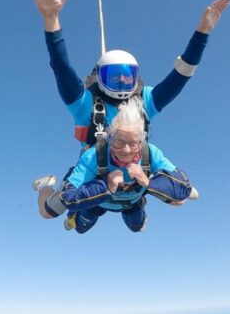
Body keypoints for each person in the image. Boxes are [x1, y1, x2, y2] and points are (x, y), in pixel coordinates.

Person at [30, 0, 230, 149]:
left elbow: (183, 73)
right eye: (114, 76)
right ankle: (44, 188)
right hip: (91, 182)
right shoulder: (84, 104)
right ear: (99, 77)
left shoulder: (145, 101)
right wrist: (51, 20)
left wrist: (203, 31)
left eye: (128, 77)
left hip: (132, 185)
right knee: (53, 199)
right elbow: (61, 66)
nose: (121, 81)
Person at [34, 98, 198, 233]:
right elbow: (68, 196)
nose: (126, 150)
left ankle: (138, 204)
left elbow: (185, 189)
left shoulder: (150, 153)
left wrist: (148, 182)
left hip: (130, 203)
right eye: (119, 142)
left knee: (151, 218)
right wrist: (106, 186)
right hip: (96, 201)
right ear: (109, 138)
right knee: (49, 213)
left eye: (133, 144)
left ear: (142, 141)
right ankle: (45, 186)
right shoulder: (94, 156)